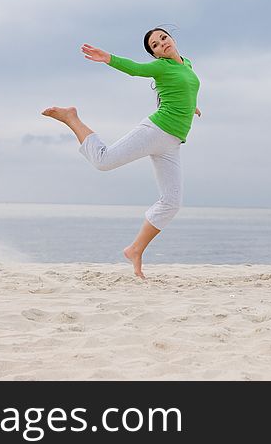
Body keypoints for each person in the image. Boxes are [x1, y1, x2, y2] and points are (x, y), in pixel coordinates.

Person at [42, 28, 201, 278]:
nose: (161, 44)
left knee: (171, 202)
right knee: (104, 161)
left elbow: (185, 88)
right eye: (155, 45)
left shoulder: (187, 64)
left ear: (171, 38)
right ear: (155, 55)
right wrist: (109, 58)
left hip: (172, 143)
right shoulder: (161, 67)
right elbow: (135, 69)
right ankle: (71, 118)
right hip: (156, 131)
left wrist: (192, 107)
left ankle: (135, 249)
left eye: (163, 38)